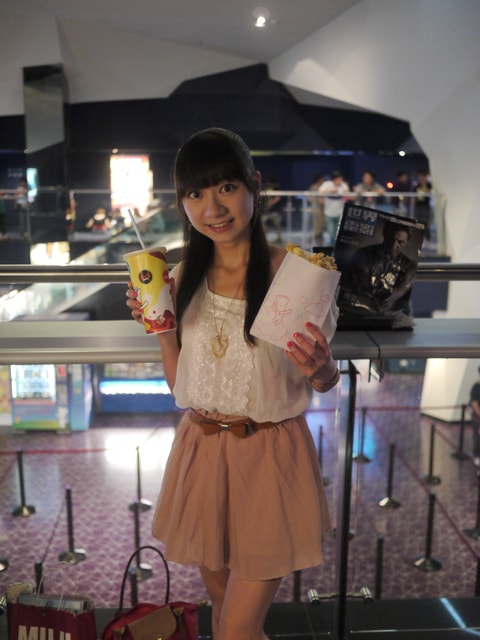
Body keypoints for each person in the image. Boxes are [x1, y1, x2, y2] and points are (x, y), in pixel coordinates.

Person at [126, 127, 338, 640]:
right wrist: (162, 329)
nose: (213, 208)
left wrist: (321, 370)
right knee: (222, 613)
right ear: (182, 203)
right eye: (195, 193)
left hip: (270, 456)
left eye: (226, 187)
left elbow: (325, 380)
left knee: (237, 629)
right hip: (202, 451)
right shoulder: (181, 277)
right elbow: (183, 390)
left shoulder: (296, 276)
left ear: (254, 186)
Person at [341, 220, 417, 317]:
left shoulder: (409, 264)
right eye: (391, 239)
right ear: (384, 234)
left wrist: (393, 298)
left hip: (391, 316)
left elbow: (404, 287)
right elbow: (360, 284)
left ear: (407, 242)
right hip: (358, 312)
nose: (394, 246)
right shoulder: (364, 254)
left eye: (400, 242)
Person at [318, 170, 350, 244]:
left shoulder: (343, 185)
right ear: (334, 179)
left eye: (341, 179)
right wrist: (330, 191)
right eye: (339, 179)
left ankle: (336, 248)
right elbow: (320, 191)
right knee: (332, 234)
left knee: (338, 234)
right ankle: (332, 247)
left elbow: (347, 192)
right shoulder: (327, 184)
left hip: (340, 213)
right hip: (329, 213)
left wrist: (342, 191)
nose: (340, 180)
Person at [261, 174, 283, 242]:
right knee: (265, 224)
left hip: (275, 210)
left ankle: (279, 238)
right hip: (267, 210)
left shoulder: (277, 188)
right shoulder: (267, 188)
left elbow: (278, 198)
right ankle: (263, 239)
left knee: (277, 224)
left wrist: (270, 203)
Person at [413, 170, 432, 240]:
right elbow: (414, 197)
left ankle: (427, 238)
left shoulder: (429, 185)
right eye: (419, 176)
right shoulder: (417, 186)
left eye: (422, 176)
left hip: (425, 206)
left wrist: (424, 184)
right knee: (417, 221)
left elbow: (428, 192)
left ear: (425, 176)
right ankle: (418, 238)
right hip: (418, 206)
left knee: (425, 221)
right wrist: (413, 206)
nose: (420, 178)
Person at [308, 172, 325, 245]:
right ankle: (313, 239)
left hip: (316, 209)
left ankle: (320, 243)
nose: (323, 180)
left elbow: (309, 199)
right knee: (319, 227)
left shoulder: (312, 187)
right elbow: (320, 200)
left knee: (320, 227)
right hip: (318, 209)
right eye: (322, 179)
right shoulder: (318, 188)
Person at [469, 366, 480, 466]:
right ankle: (477, 456)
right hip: (477, 418)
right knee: (478, 437)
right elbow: (474, 404)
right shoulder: (476, 388)